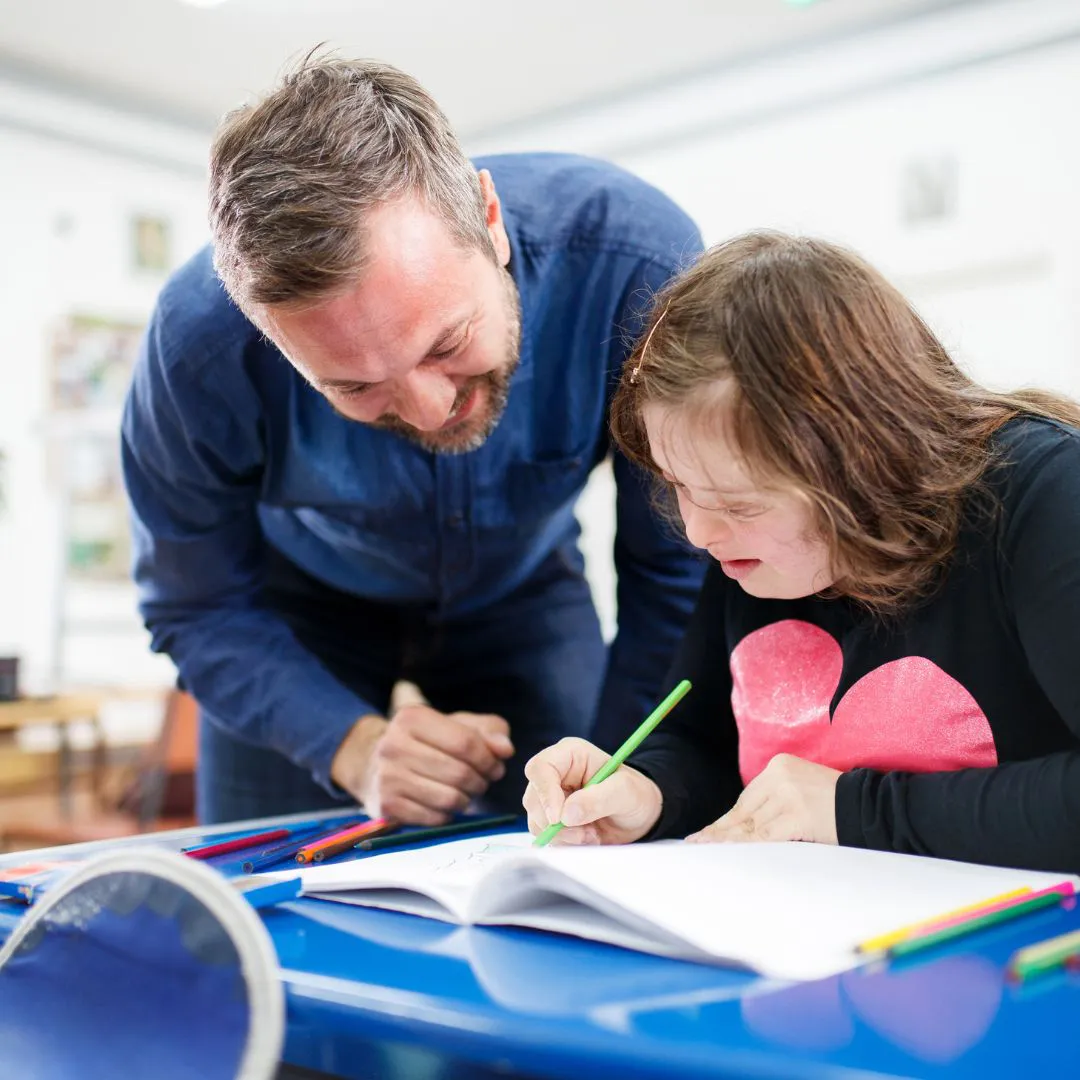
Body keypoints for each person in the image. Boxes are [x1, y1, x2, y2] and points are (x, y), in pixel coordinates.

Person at [121, 56, 706, 825]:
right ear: (263, 333)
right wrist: (349, 745)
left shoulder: (638, 268)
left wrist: (628, 774)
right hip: (297, 618)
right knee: (260, 911)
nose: (430, 412)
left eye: (447, 342)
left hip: (524, 595)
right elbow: (196, 605)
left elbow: (675, 569)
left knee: (596, 839)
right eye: (354, 387)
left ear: (489, 221)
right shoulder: (197, 350)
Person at [523, 231, 1080, 873]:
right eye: (679, 487)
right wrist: (647, 791)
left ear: (862, 460)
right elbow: (705, 739)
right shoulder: (748, 552)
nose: (700, 533)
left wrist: (847, 810)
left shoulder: (1041, 498)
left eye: (739, 503)